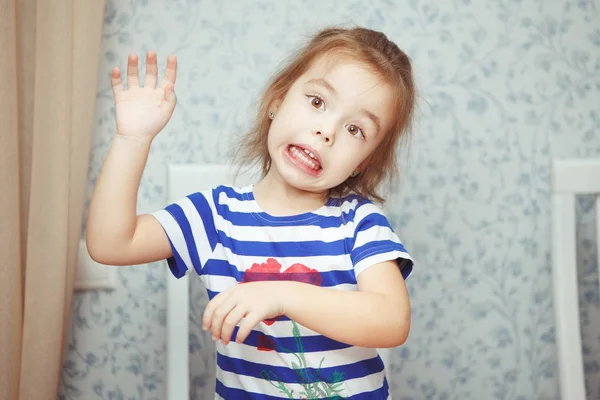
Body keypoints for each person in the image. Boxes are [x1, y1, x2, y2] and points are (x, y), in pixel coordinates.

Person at [86, 26, 416, 399]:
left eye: (355, 129)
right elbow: (111, 244)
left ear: (363, 162)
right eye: (318, 102)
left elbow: (392, 321)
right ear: (277, 100)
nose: (327, 131)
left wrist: (282, 295)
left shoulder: (360, 223)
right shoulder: (216, 216)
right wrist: (132, 140)